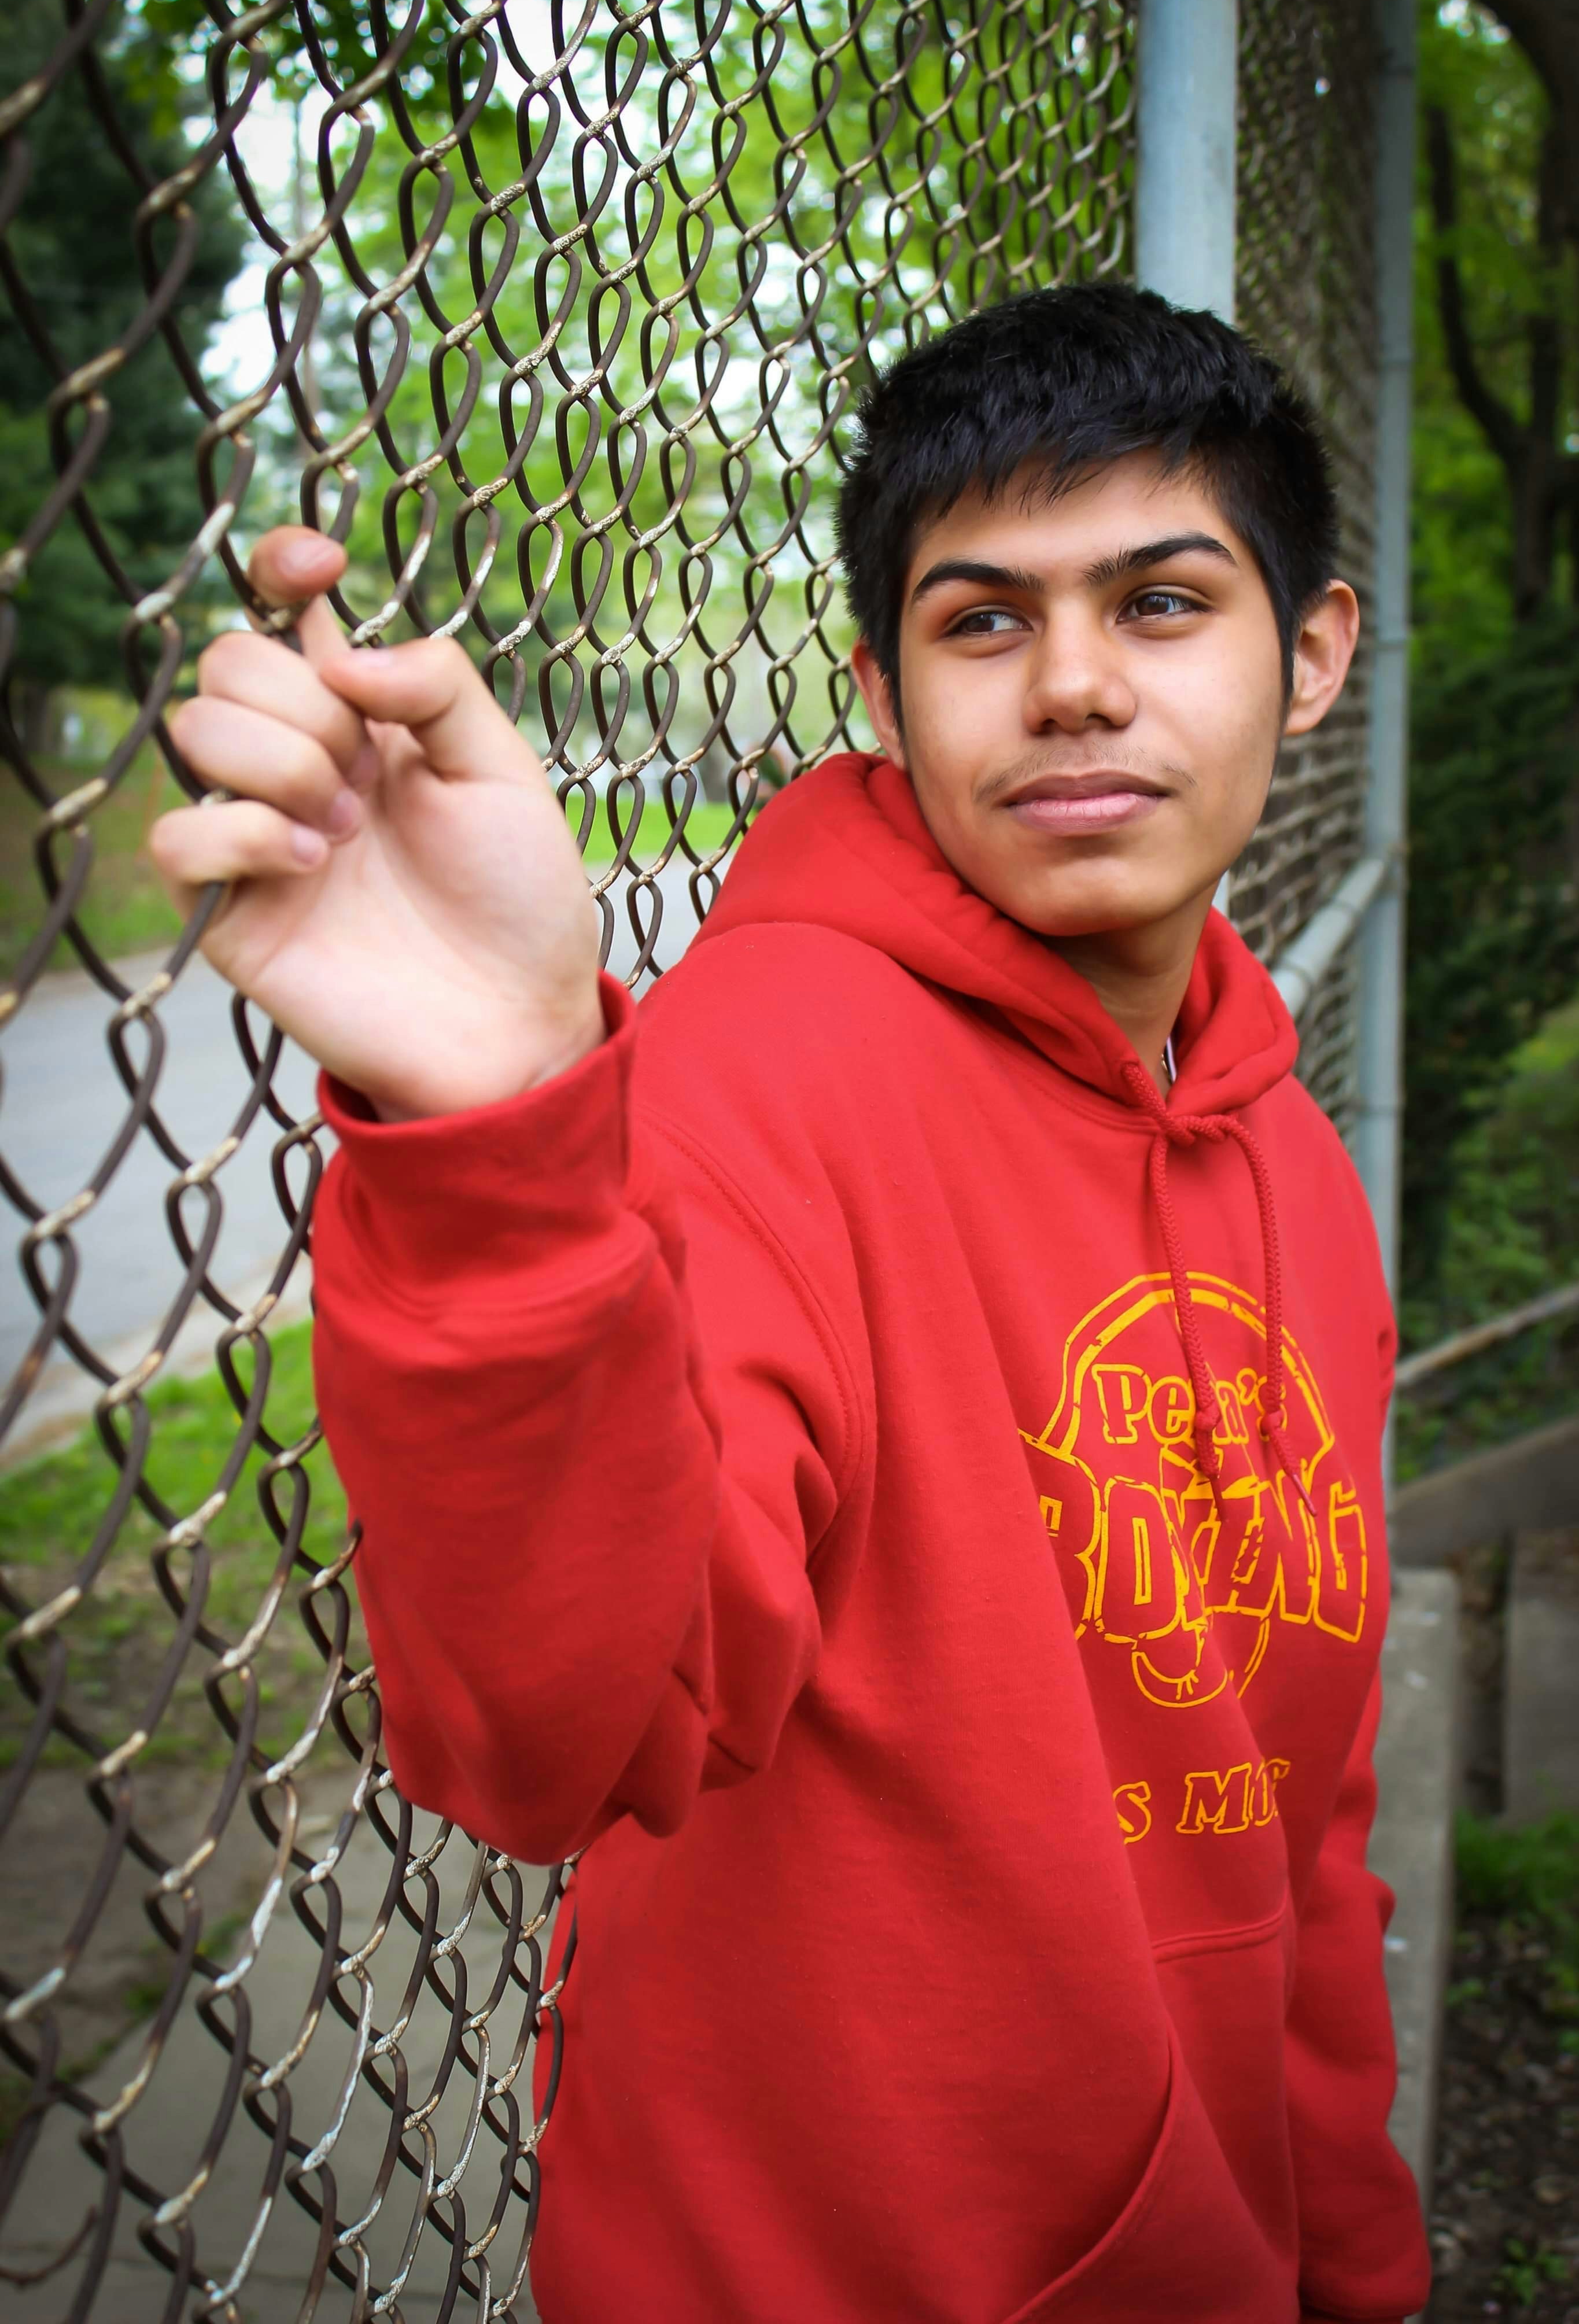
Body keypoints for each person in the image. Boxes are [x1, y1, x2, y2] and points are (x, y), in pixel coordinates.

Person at [151, 282, 1432, 2324]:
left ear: (1313, 656)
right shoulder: (762, 1076)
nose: (1075, 687)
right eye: (982, 620)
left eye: (1163, 602)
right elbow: (557, 1736)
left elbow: (1306, 1811)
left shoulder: (1290, 1153)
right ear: (883, 684)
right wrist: (495, 1133)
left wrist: (1352, 2254)